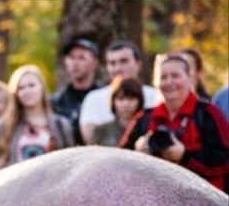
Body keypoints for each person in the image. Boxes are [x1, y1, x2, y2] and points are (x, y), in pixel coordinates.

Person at [121, 53, 229, 192]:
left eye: (175, 76)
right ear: (155, 82)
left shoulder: (207, 113)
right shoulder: (145, 117)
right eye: (163, 77)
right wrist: (137, 152)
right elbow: (120, 159)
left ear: (189, 78)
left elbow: (224, 159)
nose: (169, 82)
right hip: (154, 201)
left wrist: (185, 155)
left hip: (202, 202)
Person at [0, 64, 74, 169]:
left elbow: (72, 164)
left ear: (42, 87)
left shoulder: (61, 125)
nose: (27, 91)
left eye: (31, 85)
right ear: (15, 93)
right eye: (21, 88)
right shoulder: (6, 125)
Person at [79, 40, 158, 144]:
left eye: (123, 61)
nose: (117, 68)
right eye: (112, 63)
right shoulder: (94, 99)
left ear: (138, 64)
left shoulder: (155, 96)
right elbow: (92, 141)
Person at [50, 38, 103, 145]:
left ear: (95, 63)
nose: (75, 63)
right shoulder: (55, 102)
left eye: (81, 58)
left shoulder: (105, 98)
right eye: (71, 57)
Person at [90, 75, 143, 147]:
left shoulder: (146, 130)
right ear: (113, 101)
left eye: (131, 98)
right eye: (120, 99)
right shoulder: (101, 131)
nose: (126, 104)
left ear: (140, 100)